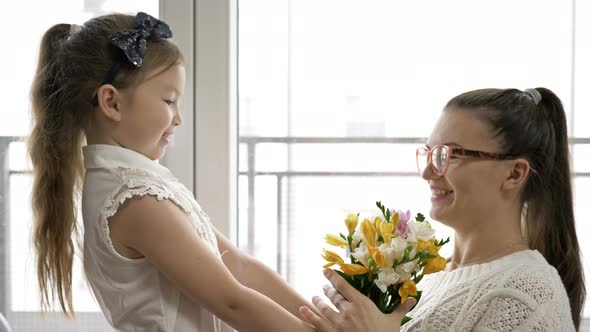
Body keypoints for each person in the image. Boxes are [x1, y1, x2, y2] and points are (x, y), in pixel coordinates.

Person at [28, 12, 404, 332]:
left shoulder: (143, 184)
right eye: (168, 101)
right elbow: (232, 301)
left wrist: (319, 321)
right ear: (111, 102)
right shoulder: (133, 200)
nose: (178, 117)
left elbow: (239, 265)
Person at [300, 88, 585, 331]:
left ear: (514, 174)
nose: (427, 172)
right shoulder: (432, 278)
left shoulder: (531, 293)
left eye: (452, 154)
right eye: (431, 153)